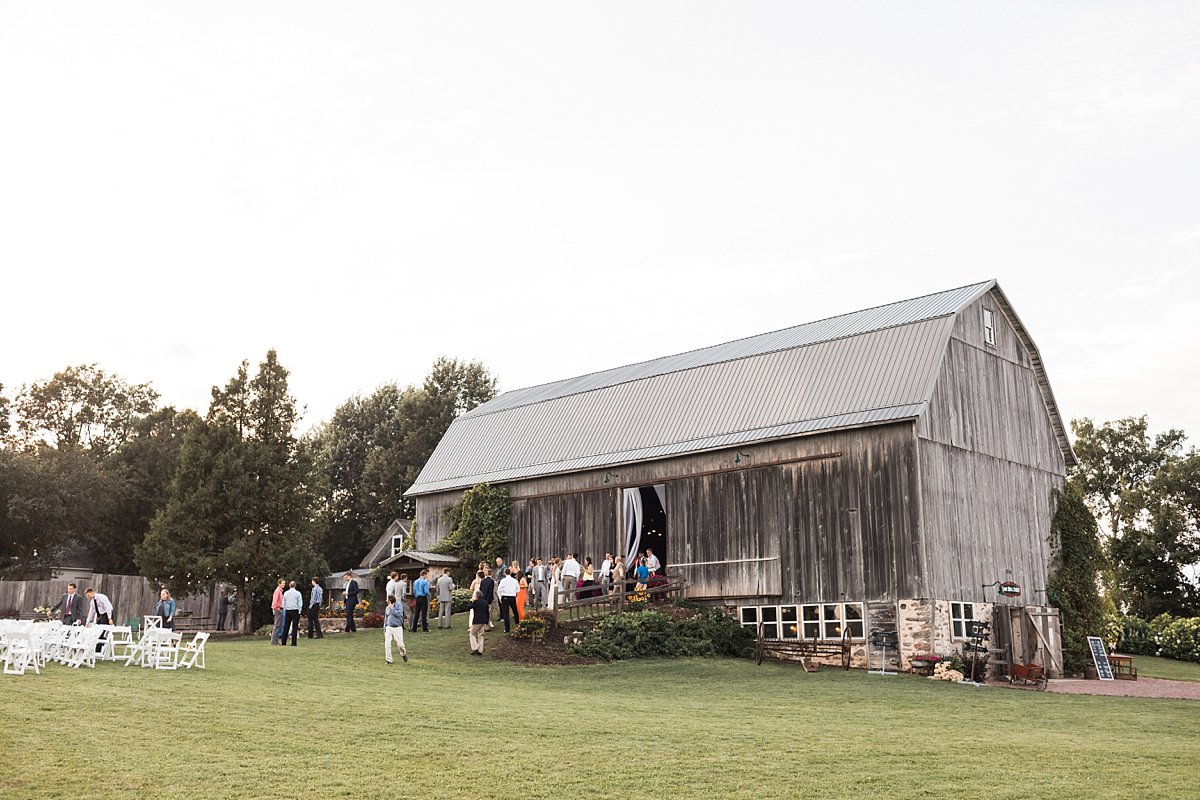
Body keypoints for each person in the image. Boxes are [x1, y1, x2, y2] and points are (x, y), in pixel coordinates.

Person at [384, 594, 408, 664]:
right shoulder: (387, 608)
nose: (386, 601)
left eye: (387, 599)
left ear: (390, 600)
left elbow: (399, 615)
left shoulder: (399, 605)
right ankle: (389, 660)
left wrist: (392, 608)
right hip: (389, 627)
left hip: (397, 627)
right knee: (387, 644)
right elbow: (386, 618)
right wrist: (385, 628)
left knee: (400, 644)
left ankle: (403, 654)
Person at [496, 568, 520, 633]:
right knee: (515, 611)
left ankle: (507, 629)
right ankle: (517, 625)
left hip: (505, 597)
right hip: (512, 597)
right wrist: (514, 592)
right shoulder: (514, 580)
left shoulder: (503, 581)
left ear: (504, 573)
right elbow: (518, 589)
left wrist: (500, 597)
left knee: (506, 613)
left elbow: (499, 589)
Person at [467, 589, 489, 655]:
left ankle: (475, 647)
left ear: (476, 596)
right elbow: (487, 612)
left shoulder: (475, 602)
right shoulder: (485, 602)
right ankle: (480, 650)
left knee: (472, 634)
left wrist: (470, 601)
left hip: (477, 620)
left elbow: (468, 607)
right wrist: (487, 620)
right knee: (481, 635)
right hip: (484, 620)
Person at [282, 580, 303, 646]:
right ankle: (293, 642)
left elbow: (283, 603)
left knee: (286, 627)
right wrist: (299, 611)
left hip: (288, 610)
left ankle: (284, 641)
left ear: (289, 586)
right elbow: (300, 603)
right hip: (295, 610)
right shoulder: (298, 593)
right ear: (295, 586)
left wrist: (284, 610)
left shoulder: (285, 593)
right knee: (295, 627)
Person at [270, 579, 286, 645]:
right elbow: (275, 601)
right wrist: (279, 607)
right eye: (283, 583)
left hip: (279, 609)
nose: (284, 585)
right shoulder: (277, 591)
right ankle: (274, 641)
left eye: (284, 583)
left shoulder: (280, 591)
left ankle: (275, 641)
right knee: (277, 626)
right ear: (279, 584)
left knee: (279, 626)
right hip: (278, 609)